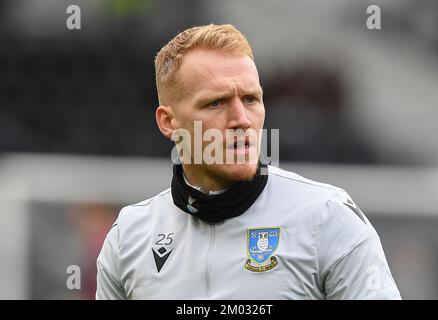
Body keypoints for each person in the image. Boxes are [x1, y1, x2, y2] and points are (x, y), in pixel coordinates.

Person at [96, 24, 401, 299]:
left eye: (251, 99)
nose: (241, 120)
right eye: (216, 102)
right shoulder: (129, 237)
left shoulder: (328, 218)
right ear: (168, 122)